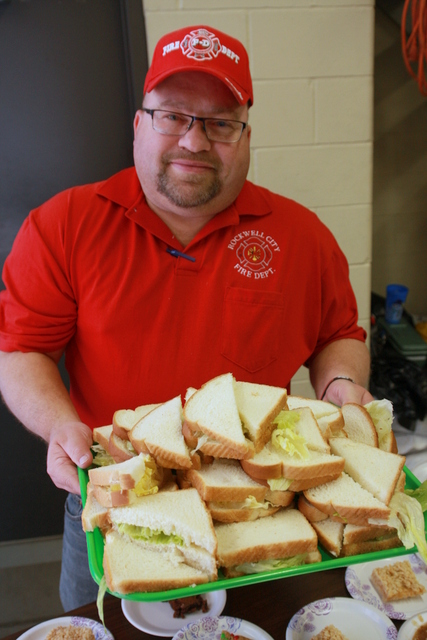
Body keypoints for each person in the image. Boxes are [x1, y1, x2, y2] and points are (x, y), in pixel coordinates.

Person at [0, 25, 373, 609]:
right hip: (115, 491)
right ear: (139, 124)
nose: (195, 143)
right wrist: (59, 427)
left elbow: (338, 334)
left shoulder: (303, 236)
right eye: (173, 115)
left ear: (247, 134)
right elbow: (22, 350)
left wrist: (344, 385)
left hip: (259, 501)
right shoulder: (62, 225)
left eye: (221, 122)